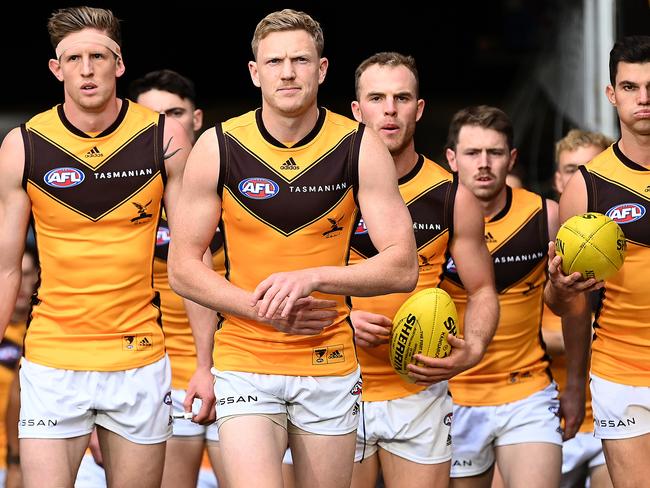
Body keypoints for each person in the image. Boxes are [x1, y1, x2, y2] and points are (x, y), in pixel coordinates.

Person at [168, 9, 418, 488]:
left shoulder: (359, 145)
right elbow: (182, 267)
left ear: (321, 70)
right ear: (254, 71)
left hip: (328, 359)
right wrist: (262, 311)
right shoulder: (218, 145)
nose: (287, 72)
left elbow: (402, 265)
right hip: (245, 358)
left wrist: (314, 277)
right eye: (275, 61)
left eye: (301, 60)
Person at [0, 7, 207, 487]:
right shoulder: (23, 143)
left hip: (138, 360)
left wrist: (202, 364)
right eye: (74, 58)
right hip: (53, 359)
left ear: (119, 64)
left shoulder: (165, 137)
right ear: (56, 68)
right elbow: (8, 269)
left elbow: (190, 259)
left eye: (99, 56)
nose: (87, 69)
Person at [346, 52, 498, 488]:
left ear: (420, 108)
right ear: (357, 110)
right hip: (335, 381)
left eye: (402, 97)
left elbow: (484, 289)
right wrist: (343, 317)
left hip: (418, 388)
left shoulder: (452, 196)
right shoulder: (328, 186)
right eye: (376, 97)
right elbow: (286, 271)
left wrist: (473, 348)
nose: (390, 109)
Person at [545, 35, 650, 488]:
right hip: (620, 369)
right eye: (630, 87)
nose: (643, 98)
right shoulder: (587, 187)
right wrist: (573, 386)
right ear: (611, 95)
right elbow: (567, 300)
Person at [442, 105, 563, 488]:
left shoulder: (546, 216)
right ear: (451, 158)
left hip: (526, 390)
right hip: (451, 395)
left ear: (511, 158)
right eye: (472, 153)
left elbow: (574, 307)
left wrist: (574, 386)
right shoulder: (429, 218)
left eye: (494, 153)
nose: (483, 164)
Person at [130, 68, 222, 488]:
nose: (165, 126)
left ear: (197, 119)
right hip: (160, 380)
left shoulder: (235, 181)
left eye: (175, 113)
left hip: (243, 370)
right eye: (152, 116)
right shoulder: (117, 199)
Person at [543, 129, 614, 488]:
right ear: (558, 179)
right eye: (571, 170)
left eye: (590, 170)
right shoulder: (533, 234)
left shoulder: (629, 242)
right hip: (547, 417)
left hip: (612, 412)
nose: (580, 180)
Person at [1, 244, 38, 488]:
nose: (21, 285)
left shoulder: (44, 334)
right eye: (16, 273)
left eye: (27, 274)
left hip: (28, 460)